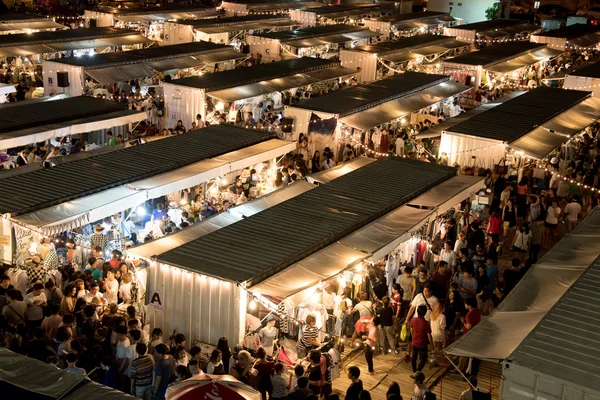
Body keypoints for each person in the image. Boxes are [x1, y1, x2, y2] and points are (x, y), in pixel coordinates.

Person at [409, 305, 432, 378]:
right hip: (422, 344)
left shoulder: (413, 320)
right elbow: (429, 335)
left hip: (414, 342)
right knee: (423, 359)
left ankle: (414, 371)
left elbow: (411, 330)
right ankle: (418, 372)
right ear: (425, 313)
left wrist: (413, 338)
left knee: (413, 358)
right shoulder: (425, 323)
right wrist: (432, 345)